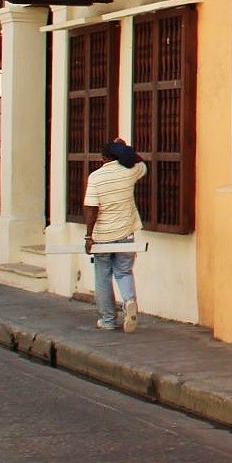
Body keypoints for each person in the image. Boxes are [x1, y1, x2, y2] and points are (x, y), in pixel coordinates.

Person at [83, 138, 147, 333]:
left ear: (103, 158)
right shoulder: (129, 172)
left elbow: (91, 208)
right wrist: (126, 148)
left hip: (103, 237)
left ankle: (108, 320)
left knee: (103, 276)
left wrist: (88, 236)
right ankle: (129, 302)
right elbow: (142, 163)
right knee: (124, 272)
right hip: (126, 233)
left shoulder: (96, 177)